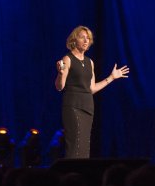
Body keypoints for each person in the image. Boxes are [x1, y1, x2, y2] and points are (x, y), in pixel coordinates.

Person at [54, 26, 129, 158]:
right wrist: (60, 74)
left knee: (84, 145)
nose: (86, 40)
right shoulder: (68, 59)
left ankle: (81, 174)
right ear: (74, 39)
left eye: (88, 38)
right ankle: (70, 175)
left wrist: (111, 78)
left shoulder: (90, 62)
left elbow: (91, 88)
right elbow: (60, 87)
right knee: (75, 144)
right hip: (73, 106)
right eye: (82, 37)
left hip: (88, 107)